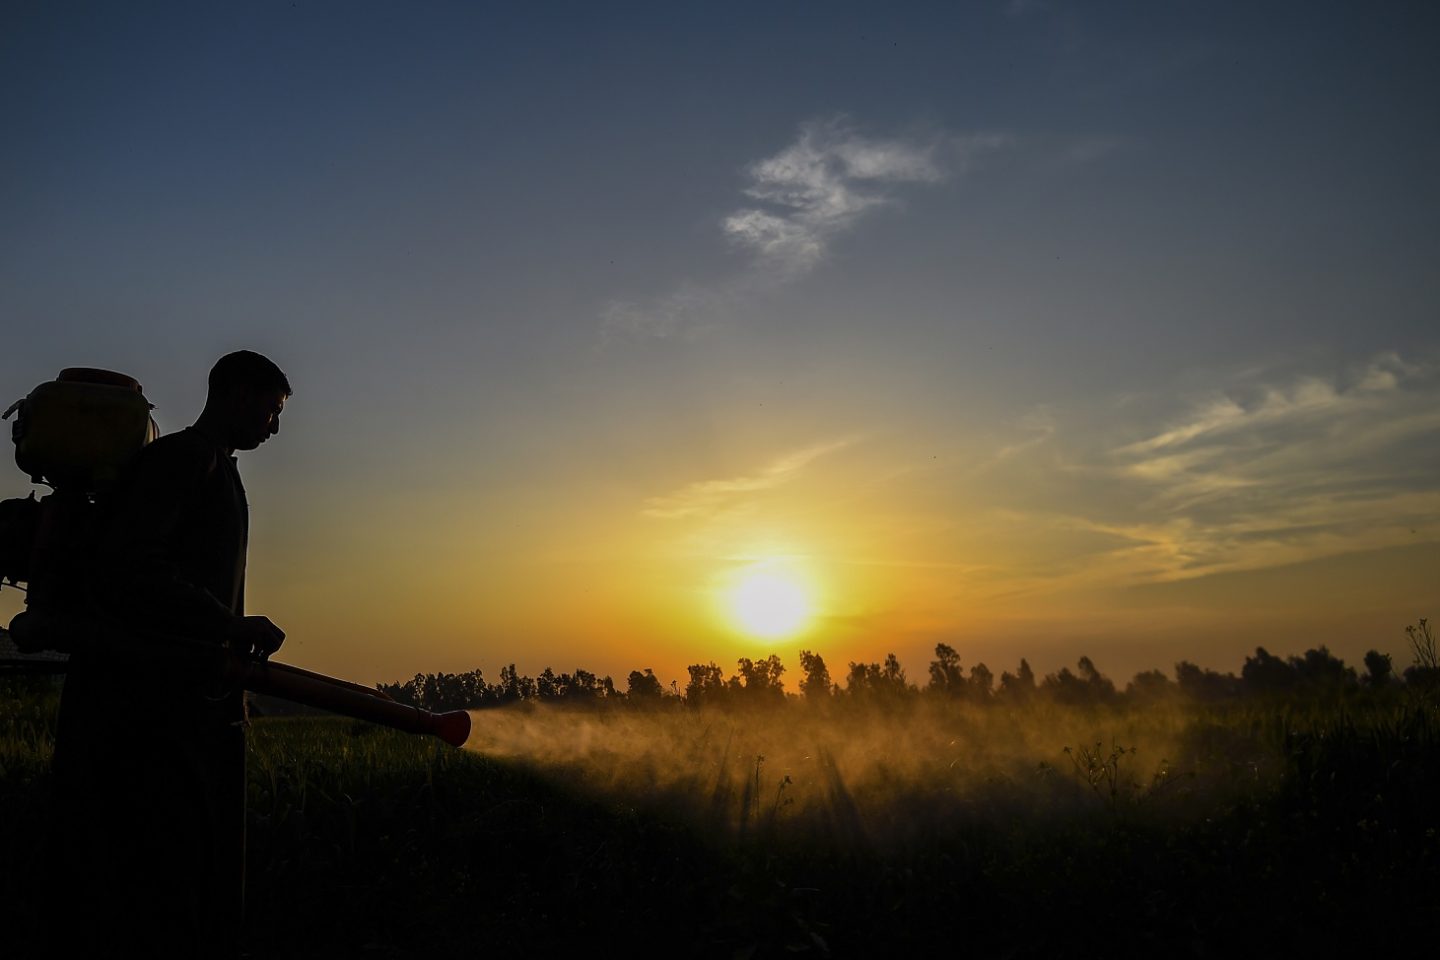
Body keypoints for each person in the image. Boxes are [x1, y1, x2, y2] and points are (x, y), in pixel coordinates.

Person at [50, 350, 290, 956]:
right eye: (271, 410)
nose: (274, 426)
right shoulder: (184, 460)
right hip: (153, 720)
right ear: (237, 396)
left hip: (191, 710)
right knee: (159, 884)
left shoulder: (214, 467)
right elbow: (132, 568)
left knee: (194, 880)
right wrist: (227, 624)